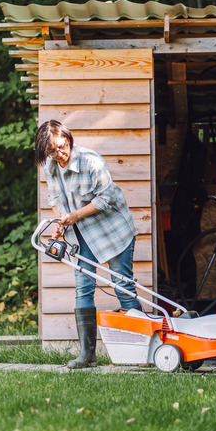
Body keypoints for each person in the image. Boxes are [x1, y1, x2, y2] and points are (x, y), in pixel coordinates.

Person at [34, 119, 142, 369]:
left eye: (61, 147)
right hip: (79, 233)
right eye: (52, 151)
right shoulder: (49, 165)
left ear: (68, 139)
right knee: (83, 289)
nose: (59, 154)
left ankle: (139, 353)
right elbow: (54, 195)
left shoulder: (91, 160)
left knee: (122, 284)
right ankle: (87, 355)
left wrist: (75, 215)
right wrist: (61, 222)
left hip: (112, 228)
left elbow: (106, 198)